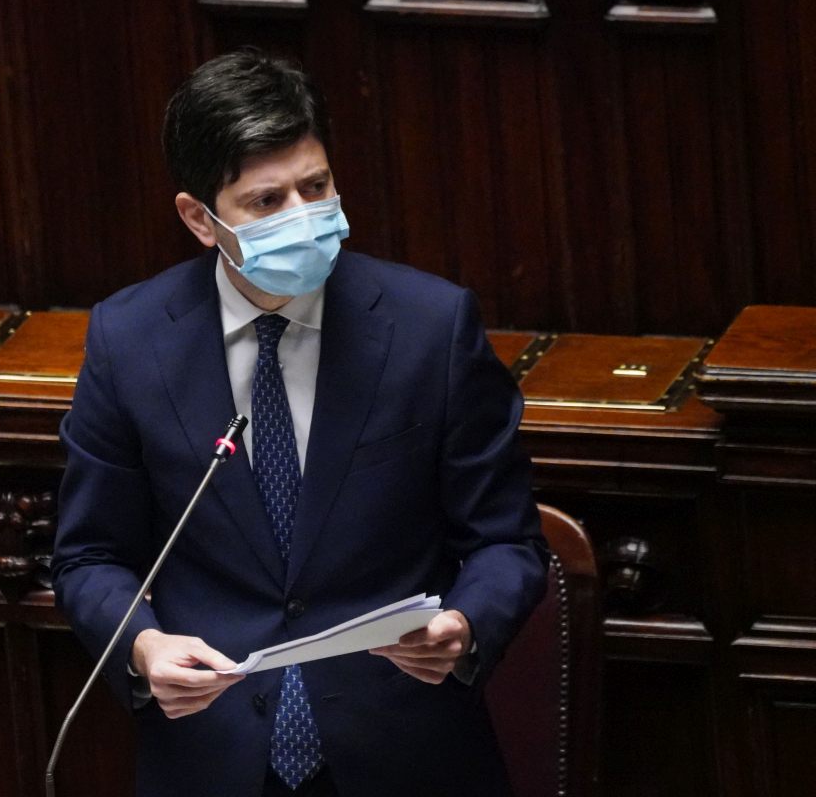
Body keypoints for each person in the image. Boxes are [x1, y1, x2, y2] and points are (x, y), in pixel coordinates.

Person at [52, 50, 548, 797]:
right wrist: (144, 646)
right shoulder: (129, 342)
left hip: (403, 750)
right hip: (212, 753)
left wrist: (467, 623)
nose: (303, 217)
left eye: (315, 188)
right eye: (266, 201)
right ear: (199, 218)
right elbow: (89, 556)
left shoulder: (430, 328)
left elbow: (507, 540)